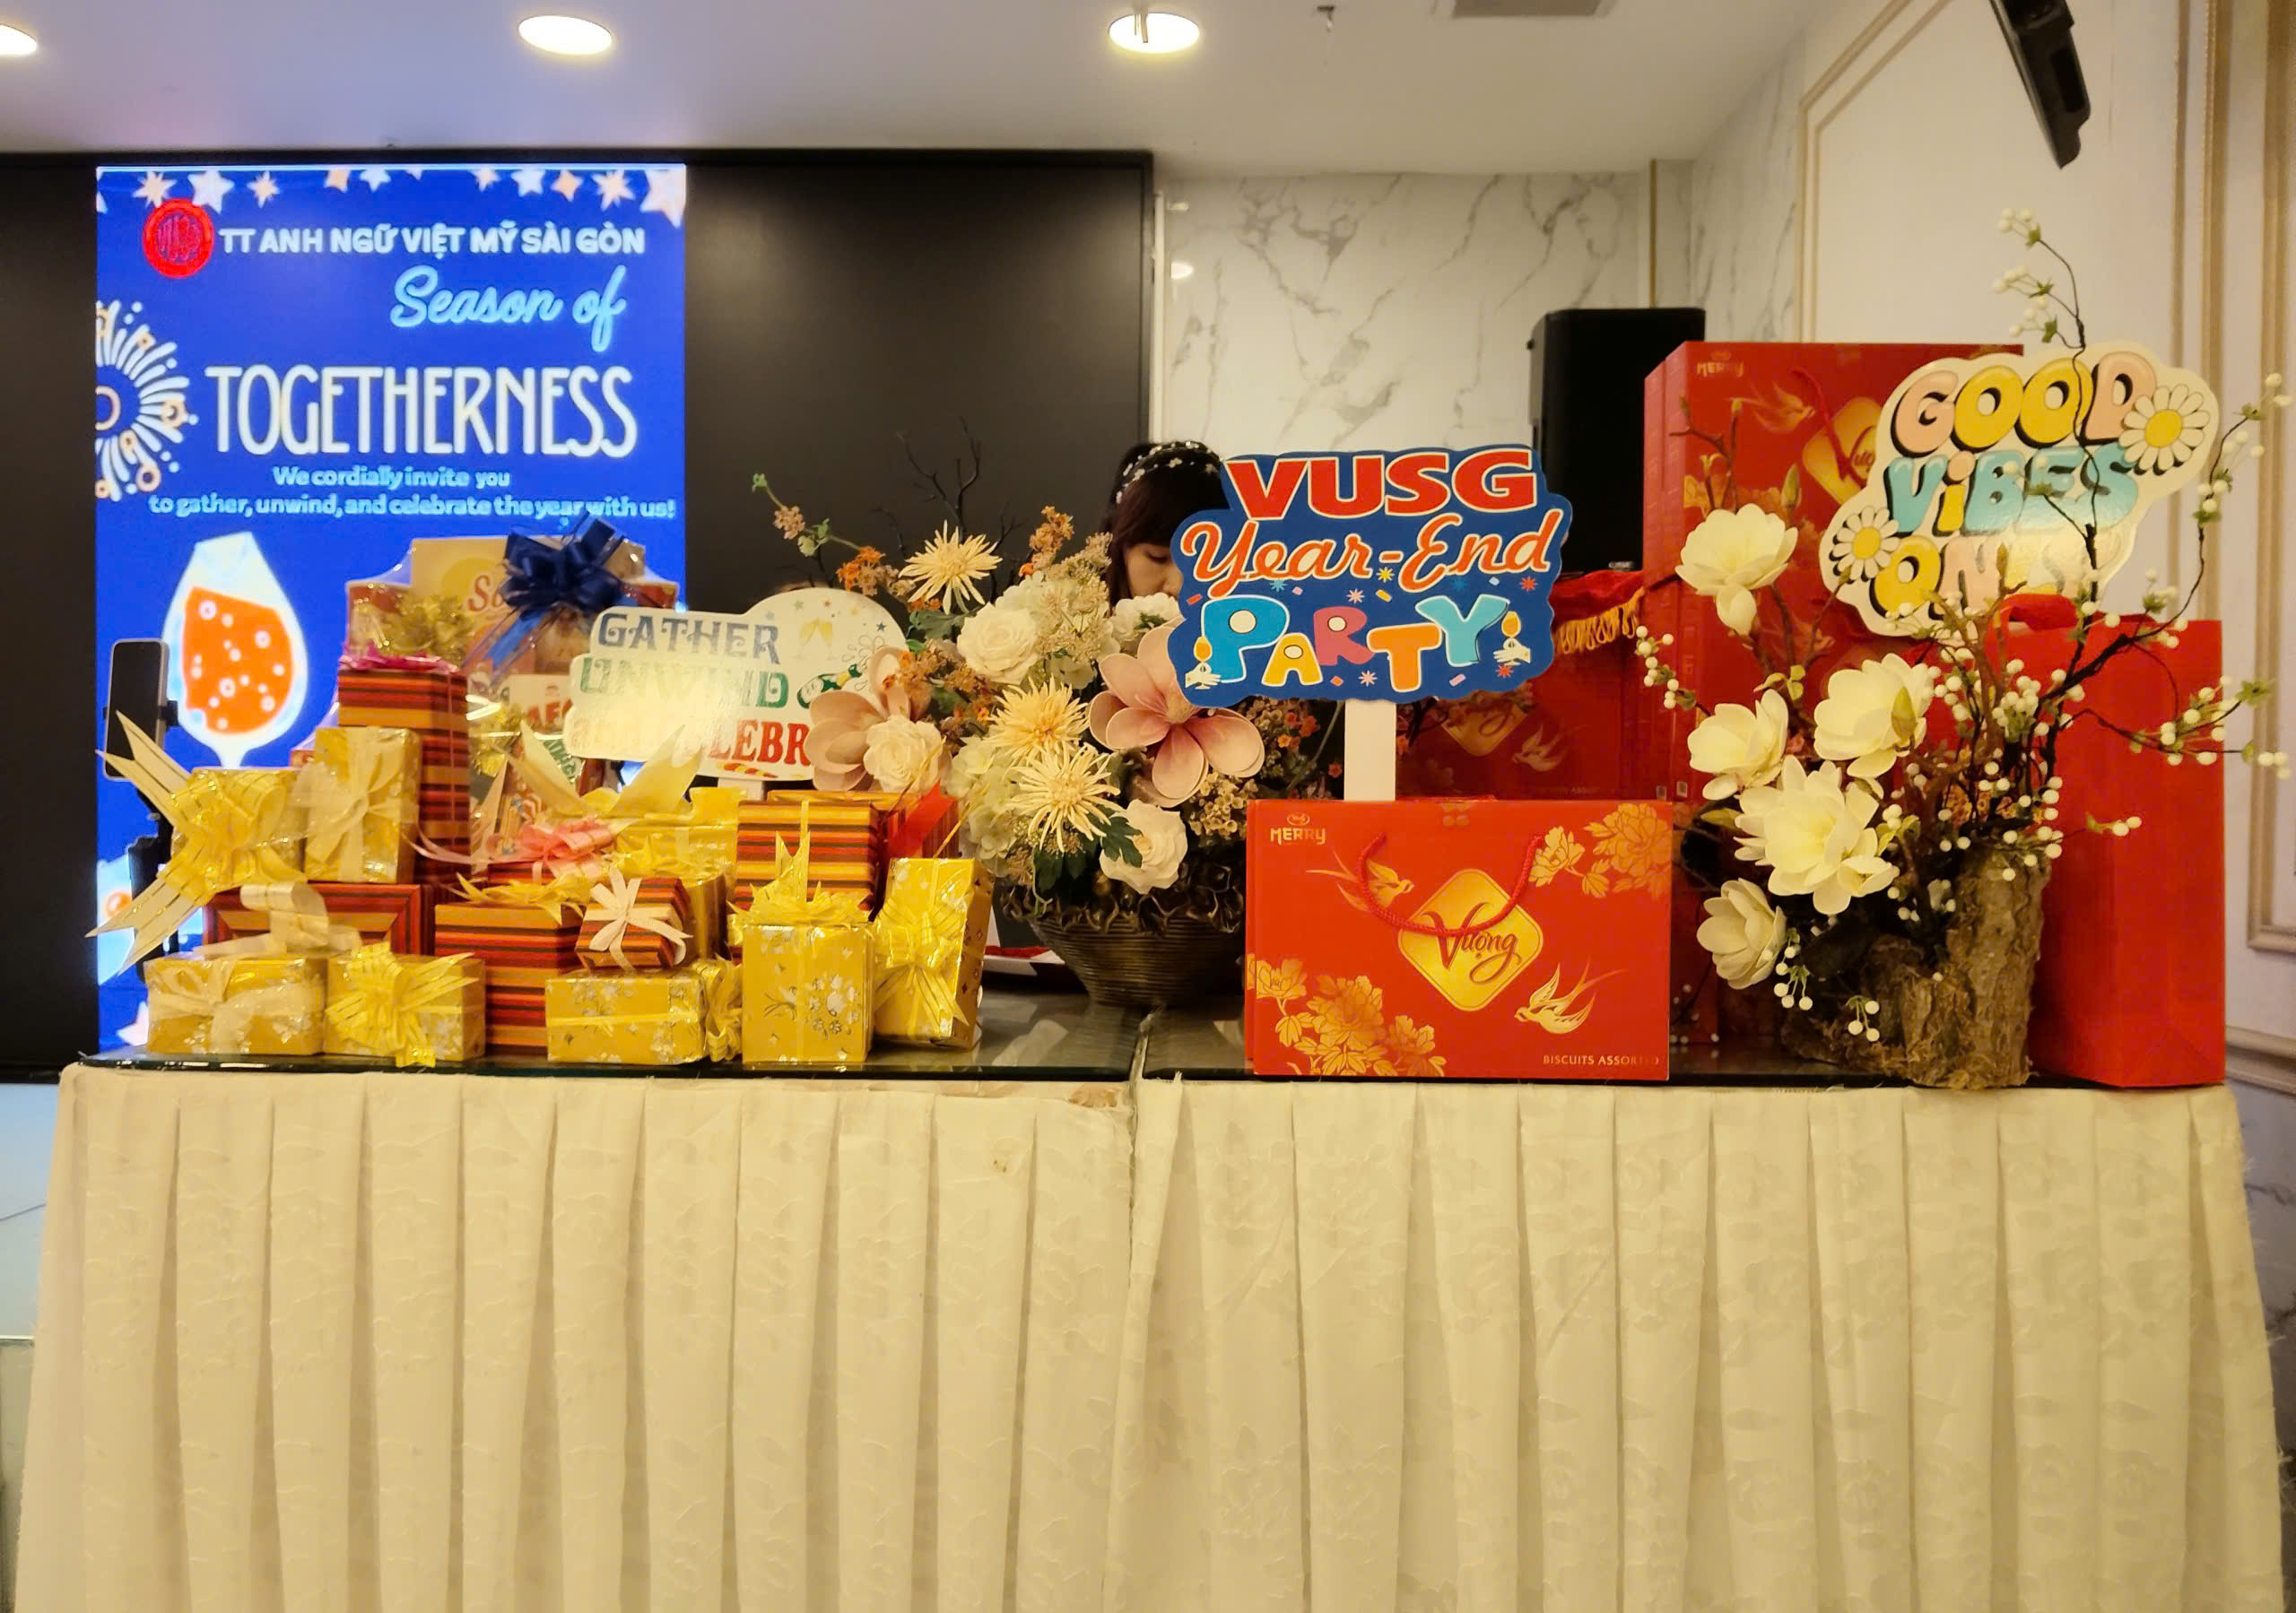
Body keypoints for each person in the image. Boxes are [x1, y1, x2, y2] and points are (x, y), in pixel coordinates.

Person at [1101, 439, 1226, 602]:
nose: (1178, 587)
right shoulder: (1076, 613)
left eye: (1203, 563)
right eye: (1158, 558)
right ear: (1120, 550)